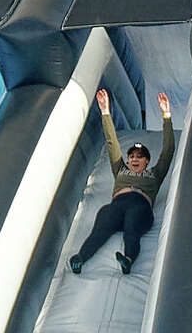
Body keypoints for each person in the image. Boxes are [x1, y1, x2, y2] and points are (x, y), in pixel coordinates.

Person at [69, 89, 174, 276]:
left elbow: (168, 151)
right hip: (118, 205)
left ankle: (128, 260)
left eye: (140, 157)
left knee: (132, 230)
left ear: (147, 162)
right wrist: (105, 112)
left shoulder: (155, 174)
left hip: (140, 206)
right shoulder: (120, 169)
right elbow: (112, 144)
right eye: (132, 156)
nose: (135, 159)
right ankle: (80, 258)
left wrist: (166, 116)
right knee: (101, 227)